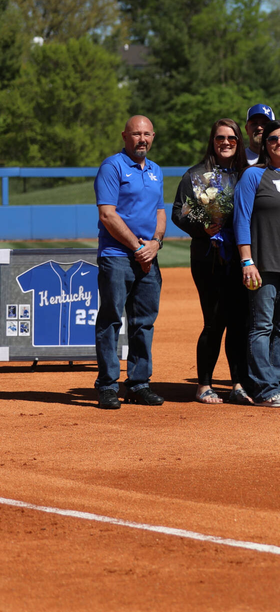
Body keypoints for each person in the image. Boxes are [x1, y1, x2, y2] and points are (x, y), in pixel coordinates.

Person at [171, 118, 251, 405]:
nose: (226, 142)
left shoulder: (247, 174)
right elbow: (179, 210)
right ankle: (203, 384)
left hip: (241, 257)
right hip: (209, 258)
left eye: (231, 138)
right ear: (212, 141)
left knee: (240, 323)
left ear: (238, 141)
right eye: (220, 138)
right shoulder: (196, 174)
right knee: (215, 321)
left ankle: (238, 384)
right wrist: (203, 224)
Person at [93, 115, 166, 409]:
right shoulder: (112, 166)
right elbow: (107, 214)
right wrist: (138, 247)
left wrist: (156, 243)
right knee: (111, 319)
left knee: (143, 323)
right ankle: (108, 385)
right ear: (125, 136)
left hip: (147, 257)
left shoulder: (156, 171)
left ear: (153, 137)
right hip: (117, 256)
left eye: (147, 134)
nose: (142, 139)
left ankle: (138, 383)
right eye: (136, 134)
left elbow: (160, 212)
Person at [234, 119, 280, 408]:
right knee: (261, 327)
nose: (279, 143)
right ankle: (264, 388)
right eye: (273, 139)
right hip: (261, 264)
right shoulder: (253, 175)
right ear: (265, 144)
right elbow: (241, 219)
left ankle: (279, 383)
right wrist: (246, 260)